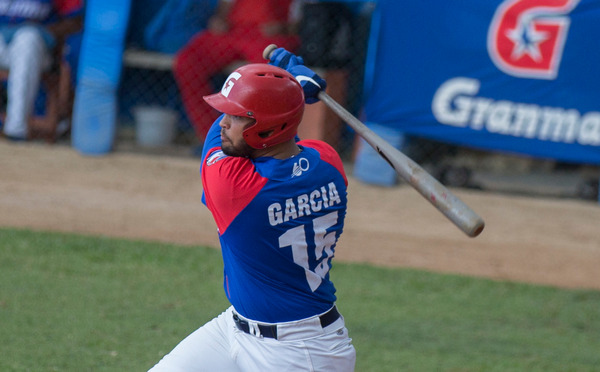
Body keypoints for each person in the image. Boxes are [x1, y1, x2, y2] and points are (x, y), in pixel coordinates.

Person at [149, 51, 356, 371]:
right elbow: (288, 145)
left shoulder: (235, 188)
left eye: (237, 116)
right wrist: (287, 95)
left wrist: (292, 87)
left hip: (300, 354)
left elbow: (239, 143)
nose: (224, 123)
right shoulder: (328, 162)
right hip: (234, 329)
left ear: (267, 130)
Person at [173, 0, 300, 145]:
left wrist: (284, 27)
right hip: (233, 31)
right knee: (188, 62)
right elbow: (224, 8)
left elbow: (308, 19)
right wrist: (219, 20)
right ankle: (213, 139)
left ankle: (257, 139)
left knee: (267, 79)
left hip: (267, 36)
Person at [0, 0, 83, 141]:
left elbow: (76, 21)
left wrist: (45, 31)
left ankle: (16, 130)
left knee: (27, 39)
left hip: (38, 48)